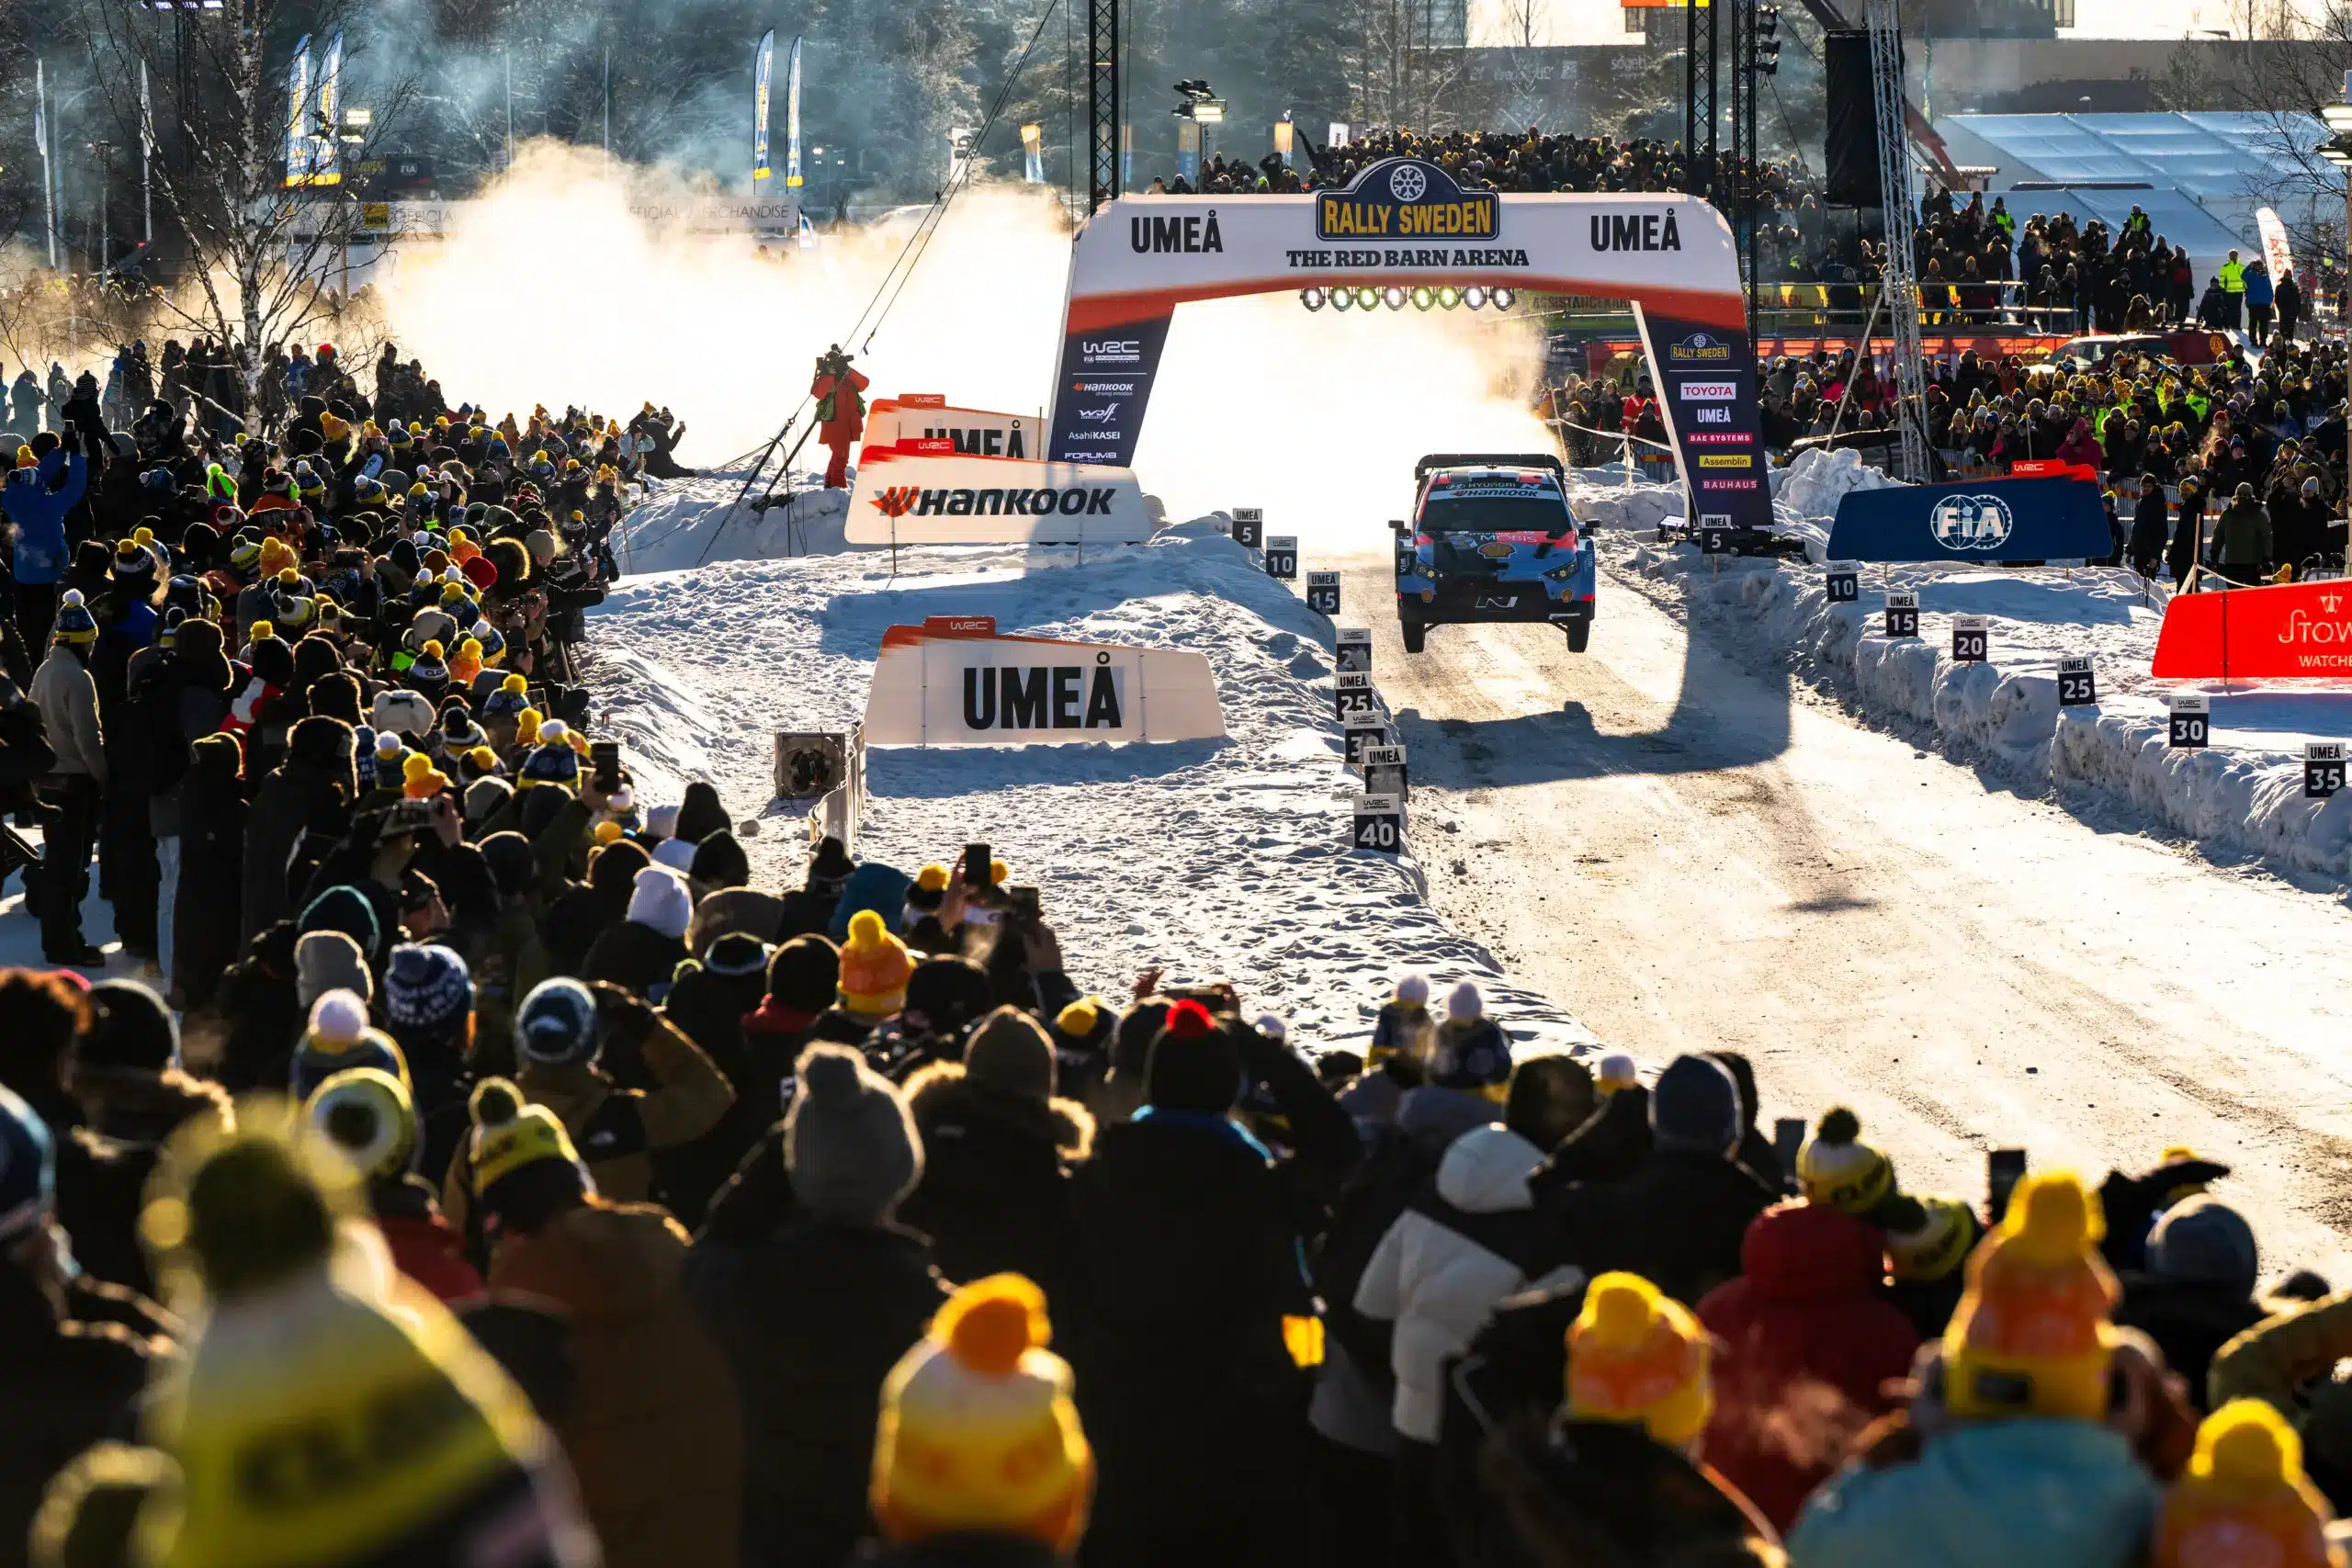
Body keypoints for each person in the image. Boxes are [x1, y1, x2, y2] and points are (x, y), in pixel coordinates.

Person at [684, 1043, 948, 1568]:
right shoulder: (936, 1313)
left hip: (768, 1542)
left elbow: (714, 1239)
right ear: (902, 1167)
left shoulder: (740, 1286)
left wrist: (794, 1140)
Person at [464, 1077, 742, 1568]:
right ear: (578, 1177)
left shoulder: (520, 1290)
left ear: (501, 1219)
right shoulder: (665, 1240)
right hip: (724, 1531)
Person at [28, 592, 107, 965]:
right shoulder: (78, 677)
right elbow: (88, 739)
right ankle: (65, 945)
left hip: (46, 781)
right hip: (74, 783)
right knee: (68, 871)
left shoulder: (44, 670)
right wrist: (103, 776)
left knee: (57, 865)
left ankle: (62, 937)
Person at [810, 346, 870, 491]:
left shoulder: (848, 376)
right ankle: (838, 488)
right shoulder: (826, 377)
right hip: (835, 425)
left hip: (848, 425)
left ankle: (830, 487)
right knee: (841, 457)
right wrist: (829, 375)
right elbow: (818, 393)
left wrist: (848, 370)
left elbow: (864, 383)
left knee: (838, 456)